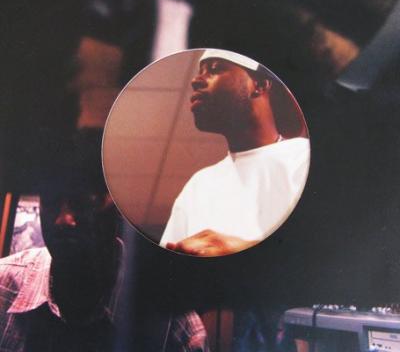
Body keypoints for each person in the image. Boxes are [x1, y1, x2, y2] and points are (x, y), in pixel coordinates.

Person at [0, 135, 209, 352]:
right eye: (51, 202)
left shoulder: (174, 325)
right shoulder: (3, 287)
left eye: (83, 202)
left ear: (121, 210)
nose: (63, 220)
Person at [160, 49, 310, 257]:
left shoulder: (302, 157)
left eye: (214, 69)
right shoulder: (199, 184)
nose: (195, 81)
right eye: (200, 72)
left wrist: (240, 249)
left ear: (259, 85)